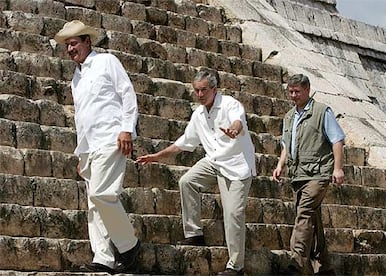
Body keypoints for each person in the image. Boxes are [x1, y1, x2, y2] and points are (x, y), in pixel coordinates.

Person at [136, 70, 256, 275]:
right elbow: (183, 143)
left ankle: (236, 266)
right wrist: (157, 156)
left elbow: (237, 121)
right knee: (187, 181)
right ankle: (194, 233)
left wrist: (234, 130)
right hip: (214, 161)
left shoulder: (230, 104)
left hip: (237, 166)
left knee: (233, 213)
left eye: (203, 90)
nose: (199, 95)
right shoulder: (198, 114)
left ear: (214, 89)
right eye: (196, 91)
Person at [54, 20, 140, 274]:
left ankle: (130, 245)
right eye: (67, 45)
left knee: (103, 195)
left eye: (74, 43)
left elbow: (127, 93)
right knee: (94, 203)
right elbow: (82, 117)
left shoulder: (107, 62)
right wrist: (81, 153)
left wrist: (127, 129)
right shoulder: (76, 79)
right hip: (89, 148)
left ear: (87, 42)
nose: (70, 49)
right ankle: (103, 258)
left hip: (111, 139)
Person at [273, 74, 345, 276]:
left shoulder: (322, 112)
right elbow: (287, 145)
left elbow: (337, 139)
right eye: (290, 92)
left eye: (297, 91)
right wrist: (280, 165)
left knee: (304, 213)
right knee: (314, 219)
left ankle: (295, 264)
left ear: (307, 90)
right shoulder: (289, 116)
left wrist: (337, 168)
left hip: (318, 173)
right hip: (298, 175)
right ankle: (325, 267)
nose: (293, 95)